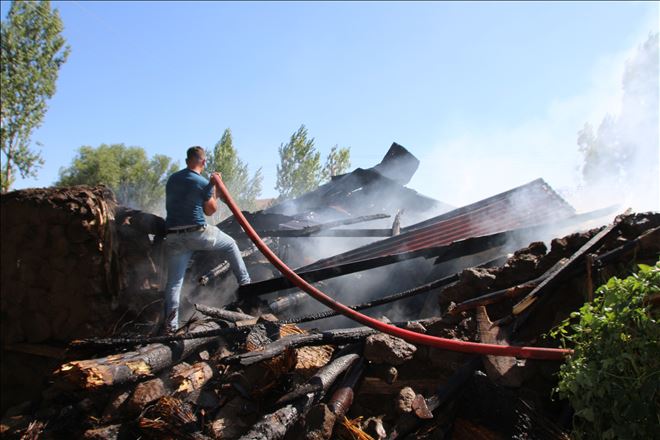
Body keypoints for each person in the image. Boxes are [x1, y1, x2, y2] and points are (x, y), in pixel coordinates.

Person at [162, 146, 251, 333]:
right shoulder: (201, 182)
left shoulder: (172, 179)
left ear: (187, 161)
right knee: (231, 244)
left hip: (172, 236)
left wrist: (211, 188)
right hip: (197, 233)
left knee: (174, 284)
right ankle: (246, 283)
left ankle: (170, 326)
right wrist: (214, 187)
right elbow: (210, 210)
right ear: (203, 162)